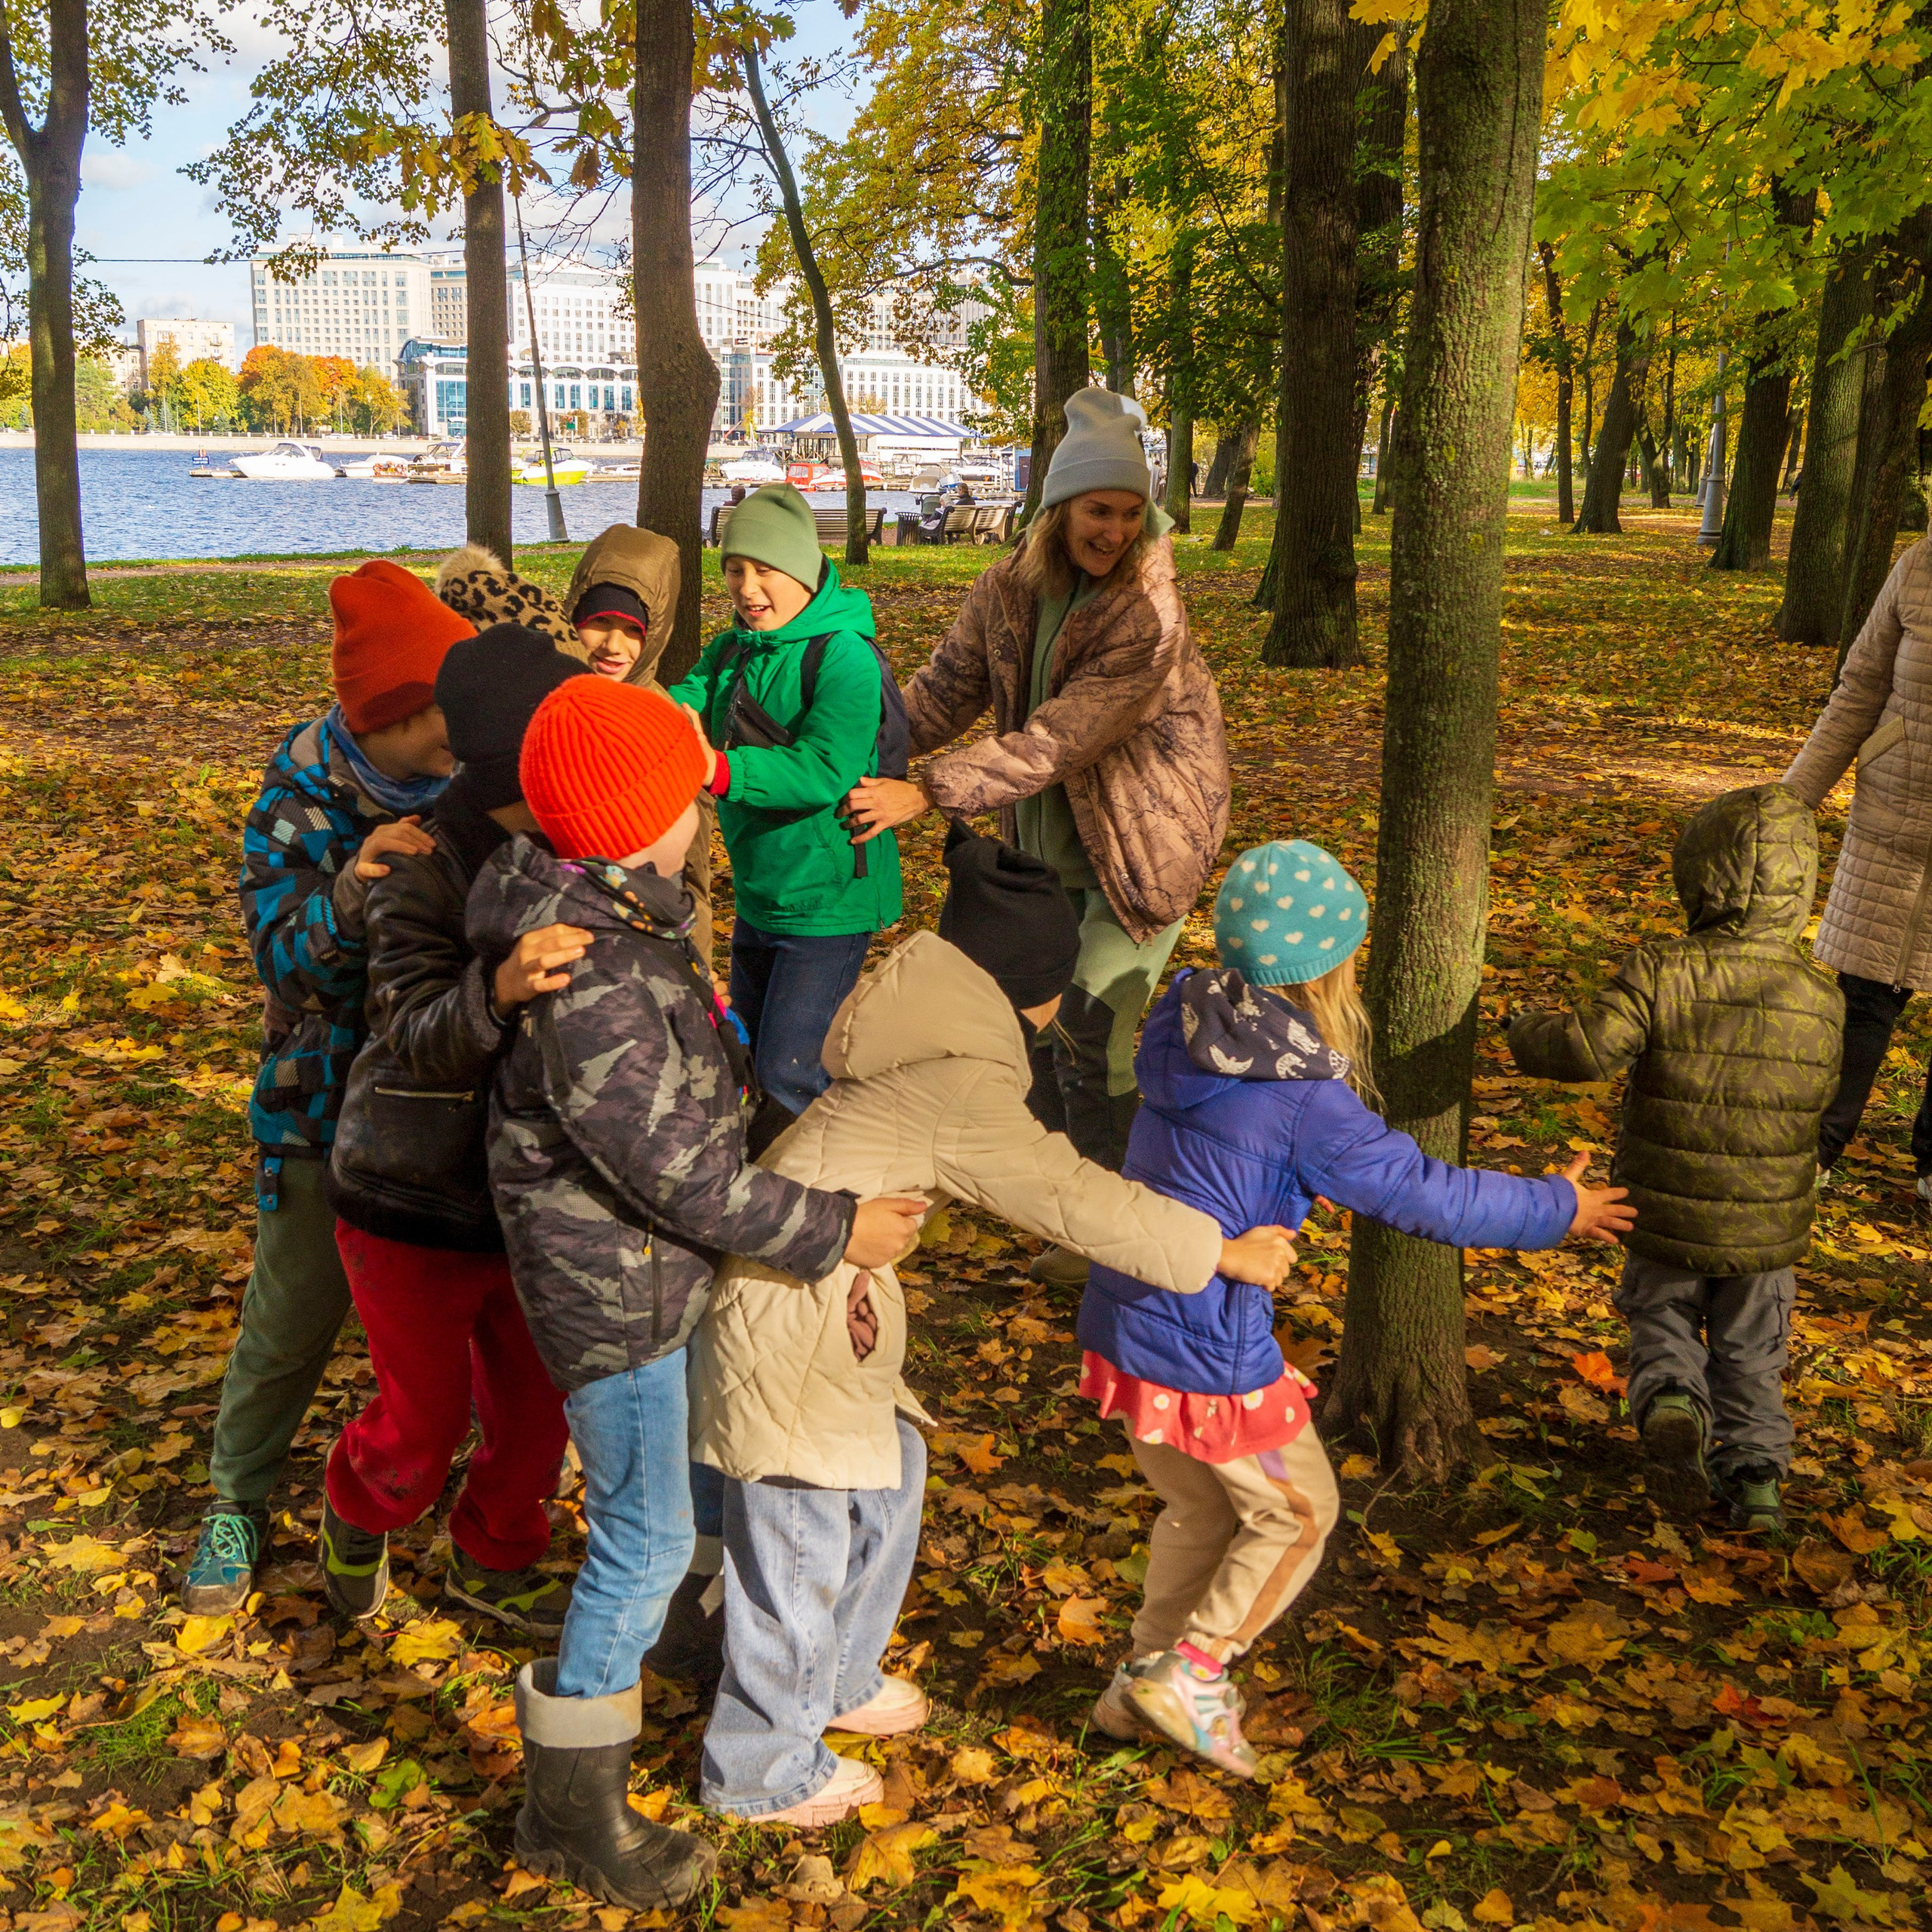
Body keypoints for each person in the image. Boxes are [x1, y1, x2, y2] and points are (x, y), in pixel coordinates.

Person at [688, 826, 1298, 1828]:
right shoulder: (961, 1079)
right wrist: (1219, 1252)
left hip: (821, 1305)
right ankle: (761, 1766)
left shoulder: (931, 1031)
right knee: (798, 1541)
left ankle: (836, 1678)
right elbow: (1068, 1195)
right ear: (1034, 989)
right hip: (791, 1317)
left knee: (891, 1474)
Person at [469, 676, 924, 1909]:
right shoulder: (598, 975)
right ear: (642, 822)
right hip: (613, 1300)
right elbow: (675, 1172)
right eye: (690, 800)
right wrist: (834, 1229)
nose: (703, 818)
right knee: (644, 1533)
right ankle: (570, 1811)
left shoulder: (617, 919)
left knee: (693, 1479)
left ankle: (681, 1638)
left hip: (651, 1273)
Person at [1079, 839, 1637, 1776]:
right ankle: (1195, 1671)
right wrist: (1556, 1207)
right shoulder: (1303, 1101)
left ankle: (1134, 1687)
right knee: (1299, 1514)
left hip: (1126, 1317)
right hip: (1207, 1347)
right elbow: (1424, 1194)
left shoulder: (1181, 1019)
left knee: (1200, 1513)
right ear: (1334, 971)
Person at [845, 386, 1230, 1284]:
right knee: (1035, 1034)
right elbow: (944, 689)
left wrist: (925, 791)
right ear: (1059, 508)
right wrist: (854, 749)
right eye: (1099, 510)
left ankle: (1124, 1239)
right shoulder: (1006, 589)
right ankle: (1074, 1212)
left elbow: (1060, 739)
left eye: (1130, 513)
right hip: (1046, 850)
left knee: (1091, 1030)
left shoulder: (1147, 615)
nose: (1115, 530)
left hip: (1141, 850)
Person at [183, 561, 473, 1616]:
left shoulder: (469, 786)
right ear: (391, 716)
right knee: (292, 1315)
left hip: (444, 1106)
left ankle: (397, 1507)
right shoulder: (296, 802)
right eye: (444, 710)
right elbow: (285, 966)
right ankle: (237, 1497)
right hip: (321, 1105)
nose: (462, 730)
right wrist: (353, 889)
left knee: (446, 1335)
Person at [319, 627, 591, 1631]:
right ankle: (361, 1507)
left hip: (530, 1199)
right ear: (527, 761)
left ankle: (494, 1555)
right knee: (422, 1423)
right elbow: (415, 1033)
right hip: (411, 1199)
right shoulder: (425, 863)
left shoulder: (576, 848)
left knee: (537, 1411)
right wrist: (501, 986)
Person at [1510, 786, 1843, 1534]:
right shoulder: (1820, 996)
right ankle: (1756, 1480)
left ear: (1698, 874)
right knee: (1753, 1347)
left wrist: (1521, 1029)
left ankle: (1670, 1401)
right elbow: (1821, 1096)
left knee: (1661, 1313)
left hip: (1663, 1204)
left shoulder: (1662, 970)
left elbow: (1584, 1049)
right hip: (1767, 1225)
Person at [669, 482, 903, 1130]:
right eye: (735, 569)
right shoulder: (733, 648)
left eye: (765, 570)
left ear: (802, 569)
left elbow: (823, 768)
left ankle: (816, 1183)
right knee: (744, 1055)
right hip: (761, 890)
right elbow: (683, 701)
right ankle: (750, 1173)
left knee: (788, 1074)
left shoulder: (845, 656)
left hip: (827, 900)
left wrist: (716, 768)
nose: (747, 589)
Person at [434, 531, 715, 961]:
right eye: (599, 623)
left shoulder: (663, 727)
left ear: (656, 633)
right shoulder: (531, 691)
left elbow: (691, 876)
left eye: (634, 630)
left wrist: (694, 972)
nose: (614, 645)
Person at [1781, 537, 1932, 1192]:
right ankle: (1817, 1149)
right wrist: (1792, 800)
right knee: (1867, 990)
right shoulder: (1921, 563)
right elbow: (1861, 687)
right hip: (1892, 813)